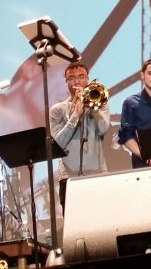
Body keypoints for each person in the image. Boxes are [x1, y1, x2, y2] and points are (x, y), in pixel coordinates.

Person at [48, 61, 110, 211]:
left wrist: (92, 107)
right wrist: (75, 115)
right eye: (72, 78)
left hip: (98, 172)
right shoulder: (57, 110)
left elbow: (103, 129)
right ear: (66, 82)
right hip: (68, 176)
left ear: (88, 79)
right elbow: (58, 144)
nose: (77, 81)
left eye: (81, 76)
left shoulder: (100, 102)